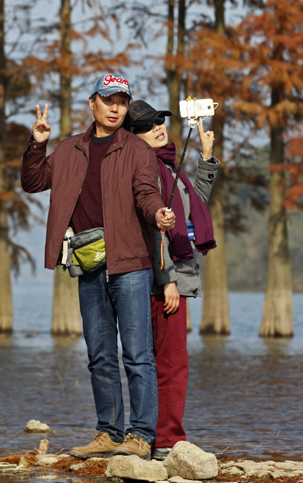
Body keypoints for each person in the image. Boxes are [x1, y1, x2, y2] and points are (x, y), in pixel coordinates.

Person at [20, 74, 175, 460]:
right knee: (99, 356)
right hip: (88, 266)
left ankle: (140, 436)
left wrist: (158, 214)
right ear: (93, 103)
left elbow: (146, 193)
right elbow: (34, 181)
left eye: (122, 101)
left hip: (131, 264)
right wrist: (37, 143)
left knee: (137, 355)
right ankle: (108, 432)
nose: (115, 107)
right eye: (108, 100)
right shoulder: (70, 149)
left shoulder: (137, 151)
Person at [124, 99, 218, 461]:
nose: (158, 127)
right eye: (147, 126)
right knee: (169, 362)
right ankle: (165, 440)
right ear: (133, 137)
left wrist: (206, 160)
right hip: (162, 281)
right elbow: (153, 232)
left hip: (173, 278)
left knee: (163, 360)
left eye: (159, 121)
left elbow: (192, 210)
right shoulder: (146, 171)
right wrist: (167, 282)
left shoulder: (166, 167)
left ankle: (157, 436)